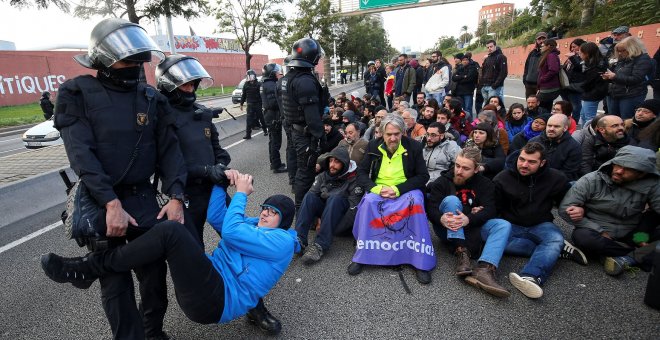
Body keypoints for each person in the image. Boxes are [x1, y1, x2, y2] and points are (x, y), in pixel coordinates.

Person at [53, 18, 187, 340]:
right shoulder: (77, 93)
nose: (137, 65)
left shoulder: (152, 98)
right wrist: (110, 202)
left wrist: (176, 197)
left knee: (154, 277)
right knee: (115, 282)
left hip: (143, 198)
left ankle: (152, 332)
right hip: (102, 199)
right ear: (104, 59)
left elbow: (170, 151)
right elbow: (81, 154)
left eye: (141, 59)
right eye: (129, 60)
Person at [41, 173, 299, 336]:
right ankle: (97, 264)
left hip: (217, 299)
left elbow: (230, 232)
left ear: (283, 221)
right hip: (206, 283)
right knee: (175, 219)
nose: (265, 213)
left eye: (273, 212)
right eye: (265, 207)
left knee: (170, 233)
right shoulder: (254, 226)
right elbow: (217, 217)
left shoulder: (282, 243)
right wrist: (220, 182)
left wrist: (241, 193)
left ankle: (90, 267)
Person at [154, 54, 235, 246]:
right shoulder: (162, 119)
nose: (190, 89)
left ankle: (243, 274)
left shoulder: (200, 113)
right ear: (169, 86)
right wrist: (207, 170)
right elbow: (167, 164)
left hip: (214, 187)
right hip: (185, 194)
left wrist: (220, 167)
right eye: (185, 85)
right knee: (193, 251)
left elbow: (220, 152)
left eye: (192, 84)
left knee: (237, 237)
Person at [348, 114, 434, 284]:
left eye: (397, 133)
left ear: (403, 132)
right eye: (389, 134)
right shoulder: (373, 145)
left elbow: (423, 176)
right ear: (381, 133)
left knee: (415, 203)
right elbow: (362, 173)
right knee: (368, 203)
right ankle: (362, 255)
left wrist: (397, 189)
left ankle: (420, 261)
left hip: (405, 189)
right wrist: (376, 188)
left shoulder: (414, 147)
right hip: (379, 189)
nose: (393, 138)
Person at [494, 143, 586, 299]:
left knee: (554, 239)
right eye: (521, 159)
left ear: (542, 163)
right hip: (511, 225)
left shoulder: (556, 178)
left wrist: (580, 208)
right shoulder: (502, 178)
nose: (524, 164)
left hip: (541, 224)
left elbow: (567, 202)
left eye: (531, 162)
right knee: (495, 242)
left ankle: (531, 277)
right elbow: (494, 208)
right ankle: (557, 250)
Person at [560, 146, 660, 276]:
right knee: (583, 239)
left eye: (627, 169)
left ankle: (627, 257)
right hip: (597, 232)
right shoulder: (592, 179)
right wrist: (599, 230)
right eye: (617, 165)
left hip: (636, 234)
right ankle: (639, 254)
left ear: (642, 173)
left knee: (653, 217)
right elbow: (564, 209)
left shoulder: (652, 184)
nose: (619, 171)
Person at [426, 147, 512, 297]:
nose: (459, 171)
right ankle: (462, 252)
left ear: (477, 169)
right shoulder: (442, 182)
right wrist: (440, 218)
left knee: (503, 225)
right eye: (457, 165)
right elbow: (431, 208)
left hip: (471, 226)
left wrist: (468, 218)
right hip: (447, 228)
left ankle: (485, 269)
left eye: (466, 168)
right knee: (451, 200)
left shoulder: (485, 184)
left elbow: (491, 209)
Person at [280, 38, 328, 210]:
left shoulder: (289, 77)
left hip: (295, 130)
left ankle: (305, 209)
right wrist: (320, 136)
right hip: (305, 134)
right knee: (305, 173)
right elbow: (312, 115)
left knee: (303, 171)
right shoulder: (305, 80)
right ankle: (301, 212)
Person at [296, 147, 362, 264]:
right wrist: (318, 221)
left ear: (345, 164)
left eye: (336, 162)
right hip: (326, 216)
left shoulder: (354, 179)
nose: (332, 165)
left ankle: (320, 246)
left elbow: (354, 210)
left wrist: (332, 228)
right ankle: (299, 239)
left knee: (335, 198)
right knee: (309, 197)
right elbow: (311, 198)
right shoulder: (324, 175)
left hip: (342, 222)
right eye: (331, 161)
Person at [602, 36, 655, 119]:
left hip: (631, 95)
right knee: (613, 120)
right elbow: (616, 75)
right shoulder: (622, 59)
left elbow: (636, 78)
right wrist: (608, 77)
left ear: (632, 48)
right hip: (615, 94)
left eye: (623, 50)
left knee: (627, 121)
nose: (620, 53)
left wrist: (614, 77)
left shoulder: (643, 59)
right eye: (618, 51)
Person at [529, 114, 582, 181]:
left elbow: (568, 174)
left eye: (556, 126)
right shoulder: (533, 141)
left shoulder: (574, 147)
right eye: (549, 125)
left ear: (565, 128)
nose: (551, 129)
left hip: (557, 184)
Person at [261, 63, 287, 174]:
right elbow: (273, 103)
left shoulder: (264, 84)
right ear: (271, 73)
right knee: (276, 142)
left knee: (272, 141)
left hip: (269, 115)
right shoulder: (272, 85)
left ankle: (274, 163)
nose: (278, 73)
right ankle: (276, 166)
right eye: (276, 72)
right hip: (273, 116)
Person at [277, 55, 297, 190]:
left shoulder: (280, 82)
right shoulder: (294, 81)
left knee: (290, 148)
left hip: (285, 118)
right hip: (295, 121)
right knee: (296, 149)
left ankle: (292, 177)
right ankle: (296, 181)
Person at [578, 42, 609, 126]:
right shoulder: (589, 63)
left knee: (589, 118)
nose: (579, 55)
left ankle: (589, 135)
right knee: (583, 116)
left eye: (580, 53)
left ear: (587, 54)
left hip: (593, 93)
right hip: (589, 93)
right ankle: (584, 133)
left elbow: (589, 81)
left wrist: (578, 86)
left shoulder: (598, 65)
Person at [560, 38, 586, 122]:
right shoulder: (571, 58)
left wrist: (573, 57)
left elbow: (579, 67)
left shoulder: (583, 57)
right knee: (566, 106)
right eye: (571, 47)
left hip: (575, 86)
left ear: (581, 47)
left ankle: (574, 122)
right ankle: (566, 121)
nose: (572, 49)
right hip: (566, 86)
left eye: (574, 47)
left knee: (576, 106)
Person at [240, 69, 267, 139]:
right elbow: (244, 95)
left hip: (258, 104)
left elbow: (262, 95)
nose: (248, 77)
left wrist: (263, 104)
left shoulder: (258, 84)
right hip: (250, 104)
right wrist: (241, 104)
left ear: (252, 76)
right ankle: (248, 135)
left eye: (249, 76)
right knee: (248, 120)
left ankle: (265, 131)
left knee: (261, 118)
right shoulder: (246, 84)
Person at [537, 38, 561, 111]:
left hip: (549, 88)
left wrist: (543, 79)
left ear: (548, 46)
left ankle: (545, 121)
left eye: (543, 45)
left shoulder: (551, 56)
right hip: (546, 87)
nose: (541, 47)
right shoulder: (548, 55)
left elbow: (553, 70)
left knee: (542, 107)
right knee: (545, 107)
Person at [523, 32, 547, 98]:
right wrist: (525, 79)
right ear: (536, 41)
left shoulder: (548, 53)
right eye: (539, 39)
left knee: (541, 105)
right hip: (529, 84)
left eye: (543, 38)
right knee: (530, 105)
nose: (542, 40)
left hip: (541, 85)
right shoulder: (532, 53)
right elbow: (526, 67)